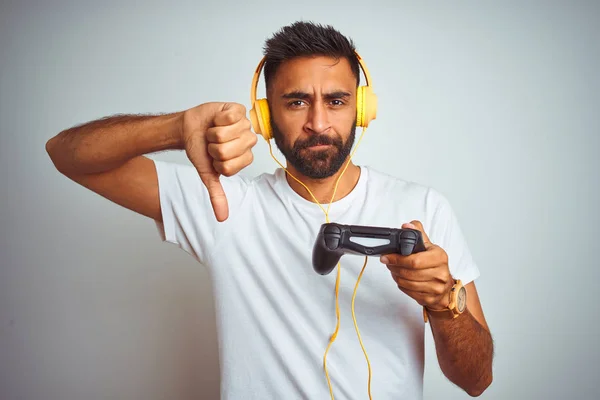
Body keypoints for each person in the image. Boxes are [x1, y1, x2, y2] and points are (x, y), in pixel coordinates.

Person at [46, 21, 493, 399]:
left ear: (361, 109)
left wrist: (444, 303)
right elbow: (67, 154)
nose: (318, 123)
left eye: (335, 101)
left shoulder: (423, 208)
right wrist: (173, 129)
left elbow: (477, 380)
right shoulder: (225, 206)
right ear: (265, 117)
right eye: (296, 101)